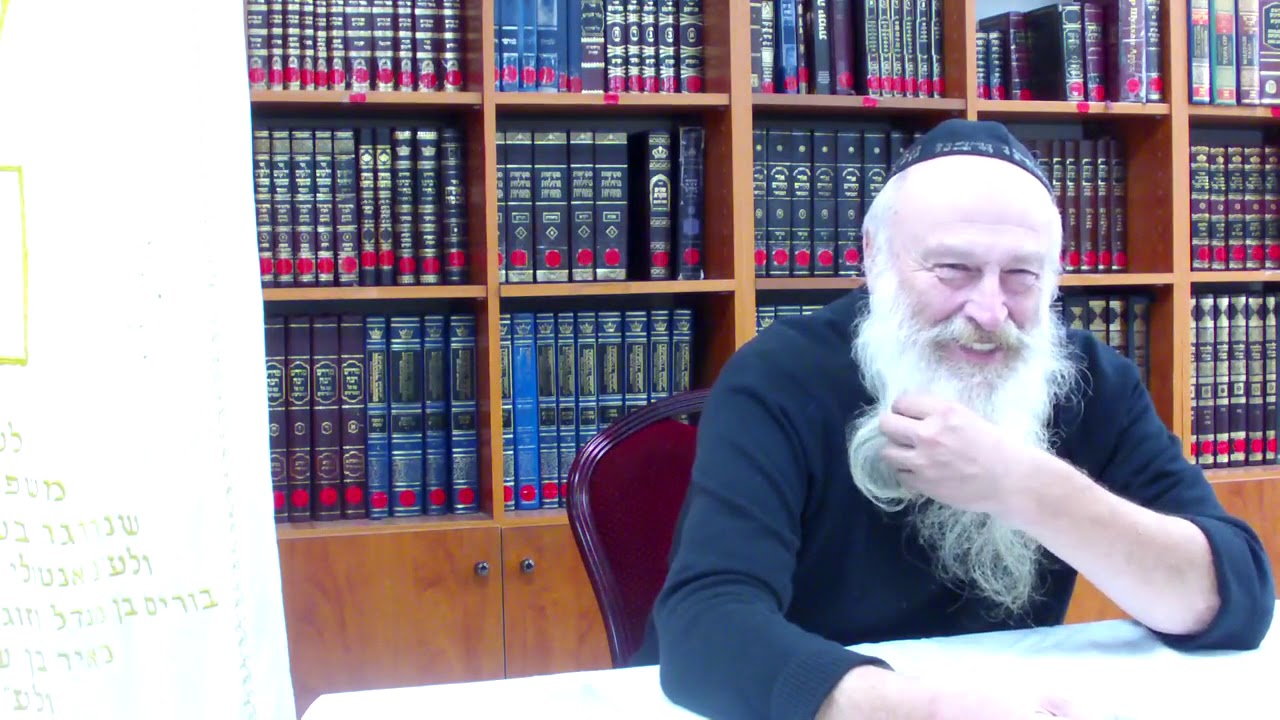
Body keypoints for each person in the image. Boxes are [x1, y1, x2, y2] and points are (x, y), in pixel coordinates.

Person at [635, 119, 1276, 720]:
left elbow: (1236, 599)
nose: (990, 312)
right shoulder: (778, 375)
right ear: (873, 256)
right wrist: (927, 707)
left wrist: (1023, 485)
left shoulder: (1091, 380)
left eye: (1021, 276)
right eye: (953, 270)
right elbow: (705, 627)